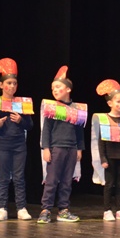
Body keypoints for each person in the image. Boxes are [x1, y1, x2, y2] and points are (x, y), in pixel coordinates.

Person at [0, 58, 33, 221]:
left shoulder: (22, 103)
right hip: (2, 144)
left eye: (14, 83)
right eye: (9, 83)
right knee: (4, 177)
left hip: (19, 145)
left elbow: (30, 125)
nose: (12, 86)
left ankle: (21, 208)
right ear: (1, 85)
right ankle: (2, 208)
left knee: (19, 177)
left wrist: (21, 120)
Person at [38, 66, 86, 224]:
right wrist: (46, 148)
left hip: (71, 148)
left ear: (68, 89)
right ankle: (45, 210)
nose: (55, 90)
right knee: (51, 180)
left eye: (58, 87)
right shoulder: (52, 107)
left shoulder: (77, 109)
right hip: (56, 148)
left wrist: (80, 148)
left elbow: (79, 130)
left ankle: (63, 210)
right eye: (53, 88)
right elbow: (46, 129)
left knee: (66, 181)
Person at [92, 79, 120, 221]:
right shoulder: (105, 119)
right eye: (118, 101)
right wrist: (103, 159)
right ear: (110, 103)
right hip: (110, 158)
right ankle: (107, 210)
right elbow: (101, 141)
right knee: (109, 184)